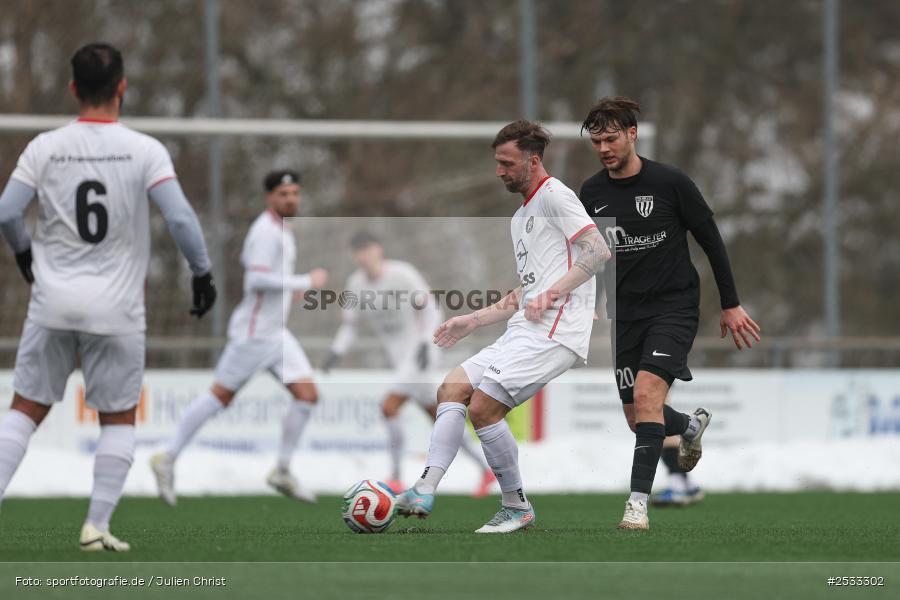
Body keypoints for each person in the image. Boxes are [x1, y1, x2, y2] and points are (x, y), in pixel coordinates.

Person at [0, 43, 215, 551]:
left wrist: (25, 254)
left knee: (25, 410)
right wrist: (201, 273)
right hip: (117, 312)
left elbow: (8, 211)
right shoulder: (145, 149)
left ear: (73, 88)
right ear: (122, 86)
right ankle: (96, 526)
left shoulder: (44, 146)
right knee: (117, 417)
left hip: (51, 305)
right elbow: (181, 218)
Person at [396, 120, 610, 533]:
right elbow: (528, 289)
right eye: (497, 163)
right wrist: (474, 319)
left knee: (484, 408)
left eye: (506, 163)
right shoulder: (521, 217)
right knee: (452, 388)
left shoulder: (556, 197)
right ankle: (425, 486)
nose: (499, 171)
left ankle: (516, 507)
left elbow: (597, 249)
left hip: (558, 331)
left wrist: (554, 294)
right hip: (526, 329)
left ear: (532, 161)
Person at [578, 96, 760, 530]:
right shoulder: (592, 192)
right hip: (627, 315)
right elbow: (598, 253)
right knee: (636, 415)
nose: (604, 148)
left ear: (632, 134)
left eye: (611, 138)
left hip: (673, 308)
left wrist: (731, 303)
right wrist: (597, 301)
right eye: (597, 141)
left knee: (646, 397)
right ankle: (690, 425)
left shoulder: (670, 182)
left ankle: (636, 506)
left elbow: (711, 241)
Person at [150, 170, 327, 506]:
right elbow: (257, 280)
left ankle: (283, 470)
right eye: (283, 194)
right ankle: (167, 457)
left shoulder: (282, 232)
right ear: (269, 198)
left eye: (295, 193)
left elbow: (270, 280)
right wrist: (303, 281)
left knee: (307, 394)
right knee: (220, 397)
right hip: (254, 335)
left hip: (276, 334)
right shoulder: (265, 232)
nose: (291, 199)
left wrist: (288, 293)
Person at [321, 231, 496, 496]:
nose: (364, 255)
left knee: (388, 407)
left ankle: (395, 477)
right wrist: (336, 351)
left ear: (378, 249)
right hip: (401, 359)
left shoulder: (402, 274)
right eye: (359, 251)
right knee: (441, 418)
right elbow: (350, 326)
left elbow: (431, 308)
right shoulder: (356, 284)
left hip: (421, 353)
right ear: (354, 255)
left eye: (368, 248)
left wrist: (427, 342)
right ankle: (486, 469)